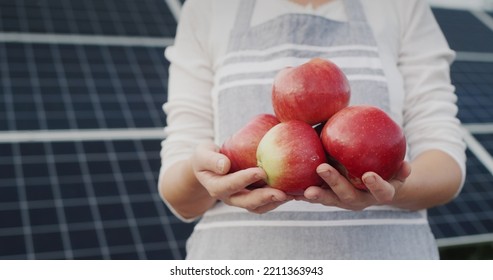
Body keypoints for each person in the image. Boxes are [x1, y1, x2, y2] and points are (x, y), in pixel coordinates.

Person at [158, 0, 466, 259]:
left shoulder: (401, 6)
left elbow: (445, 162)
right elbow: (181, 197)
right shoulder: (207, 8)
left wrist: (393, 191)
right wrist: (202, 174)